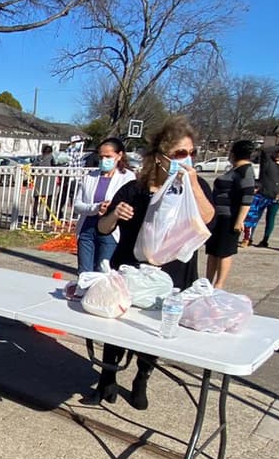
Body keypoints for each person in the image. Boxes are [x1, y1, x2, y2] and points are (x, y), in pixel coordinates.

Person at [92, 116, 216, 408]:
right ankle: (107, 378)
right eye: (179, 154)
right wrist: (114, 215)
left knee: (155, 328)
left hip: (173, 273)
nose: (186, 159)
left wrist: (194, 184)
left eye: (191, 153)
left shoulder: (194, 188)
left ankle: (142, 377)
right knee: (117, 325)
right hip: (131, 271)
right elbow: (103, 228)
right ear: (159, 157)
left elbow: (208, 218)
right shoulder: (135, 189)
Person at [72, 136, 134, 276]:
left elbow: (129, 205)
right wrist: (95, 208)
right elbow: (77, 205)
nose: (104, 160)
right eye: (101, 157)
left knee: (104, 272)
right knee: (84, 272)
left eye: (108, 156)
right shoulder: (90, 176)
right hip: (87, 230)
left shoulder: (128, 178)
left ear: (119, 156)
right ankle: (82, 293)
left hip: (111, 232)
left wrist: (112, 209)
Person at [205, 139, 257, 288]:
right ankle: (207, 282)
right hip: (218, 217)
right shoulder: (233, 170)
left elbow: (247, 197)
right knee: (213, 251)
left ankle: (219, 284)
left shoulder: (245, 170)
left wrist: (239, 220)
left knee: (224, 252)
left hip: (230, 217)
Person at [248, 141, 279, 248]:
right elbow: (264, 150)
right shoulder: (267, 160)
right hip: (262, 194)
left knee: (271, 218)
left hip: (276, 197)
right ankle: (248, 238)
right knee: (254, 217)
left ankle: (265, 240)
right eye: (278, 152)